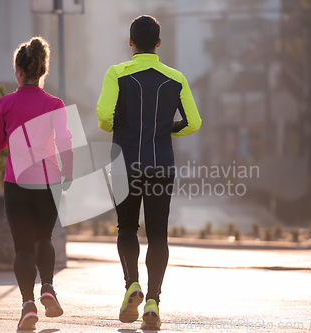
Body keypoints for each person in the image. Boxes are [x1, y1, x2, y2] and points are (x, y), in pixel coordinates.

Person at [96, 15, 201, 330]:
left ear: (130, 43)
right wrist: (167, 130)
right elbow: (193, 122)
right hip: (160, 164)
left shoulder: (117, 73)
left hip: (125, 163)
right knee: (158, 234)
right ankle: (153, 301)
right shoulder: (176, 78)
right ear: (158, 43)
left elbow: (103, 117)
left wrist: (124, 126)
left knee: (126, 228)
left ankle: (132, 285)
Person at [0, 36, 73, 330]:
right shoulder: (55, 104)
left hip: (16, 183)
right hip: (48, 183)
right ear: (42, 72)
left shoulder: (5, 104)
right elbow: (65, 141)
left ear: (18, 72)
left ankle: (27, 305)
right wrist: (69, 174)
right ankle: (48, 287)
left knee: (22, 248)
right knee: (44, 238)